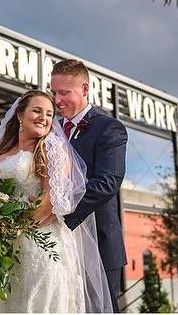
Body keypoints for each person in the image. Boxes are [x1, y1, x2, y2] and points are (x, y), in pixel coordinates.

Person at [0, 90, 112, 313]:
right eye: (37, 110)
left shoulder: (51, 148)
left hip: (39, 247)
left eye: (50, 114)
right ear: (20, 115)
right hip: (2, 253)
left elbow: (51, 200)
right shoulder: (0, 151)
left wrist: (13, 230)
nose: (44, 117)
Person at [50, 59, 128, 313]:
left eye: (64, 93)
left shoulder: (110, 128)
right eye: (54, 92)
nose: (57, 100)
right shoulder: (51, 130)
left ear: (84, 89)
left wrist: (59, 215)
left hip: (99, 243)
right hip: (57, 245)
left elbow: (108, 182)